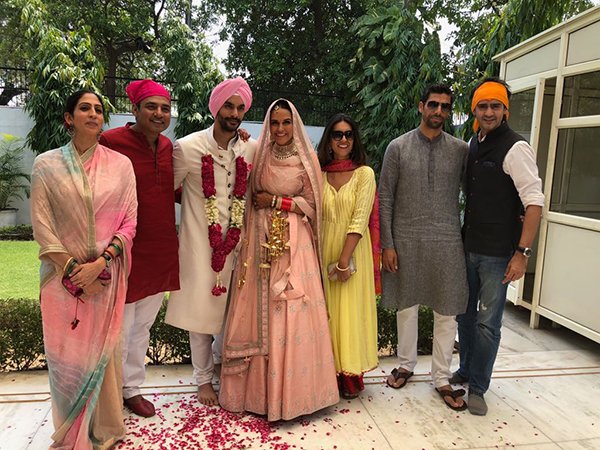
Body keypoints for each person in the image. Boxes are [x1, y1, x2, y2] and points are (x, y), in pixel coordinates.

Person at [219, 99, 339, 421]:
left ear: (294, 124)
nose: (281, 129)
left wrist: (276, 201)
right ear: (268, 125)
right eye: (275, 123)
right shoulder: (260, 152)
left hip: (293, 244)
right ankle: (258, 396)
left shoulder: (305, 157)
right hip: (260, 241)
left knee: (291, 308)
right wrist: (241, 136)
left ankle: (296, 395)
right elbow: (241, 166)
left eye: (286, 123)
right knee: (261, 310)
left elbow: (314, 207)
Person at [30, 90, 137, 449]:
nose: (93, 114)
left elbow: (129, 222)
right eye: (84, 108)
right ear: (68, 118)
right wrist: (74, 269)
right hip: (61, 282)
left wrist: (100, 266)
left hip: (105, 279)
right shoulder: (46, 165)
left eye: (98, 109)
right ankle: (70, 432)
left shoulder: (121, 166)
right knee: (66, 360)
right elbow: (42, 227)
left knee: (104, 357)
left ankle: (105, 427)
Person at [454, 77, 544, 415]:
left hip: (497, 254)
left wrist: (521, 254)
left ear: (505, 110)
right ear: (474, 109)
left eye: (495, 106)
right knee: (464, 316)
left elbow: (534, 202)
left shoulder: (516, 147)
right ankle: (465, 369)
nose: (489, 112)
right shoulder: (474, 143)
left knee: (487, 322)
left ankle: (478, 386)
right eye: (483, 105)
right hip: (469, 246)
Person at [165, 77, 256, 406]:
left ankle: (224, 369)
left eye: (240, 107)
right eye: (228, 106)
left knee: (233, 312)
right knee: (200, 314)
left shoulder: (251, 147)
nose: (234, 112)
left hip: (238, 246)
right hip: (198, 246)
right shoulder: (187, 148)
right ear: (216, 107)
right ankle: (203, 379)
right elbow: (165, 193)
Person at [379, 84, 469, 411]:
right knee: (407, 305)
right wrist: (387, 244)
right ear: (421, 106)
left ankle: (442, 377)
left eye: (445, 107)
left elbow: (473, 194)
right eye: (433, 105)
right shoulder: (398, 147)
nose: (439, 112)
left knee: (448, 311)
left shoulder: (460, 150)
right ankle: (406, 363)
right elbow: (385, 196)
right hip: (405, 238)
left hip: (447, 239)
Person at [99, 79, 179, 418]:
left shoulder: (167, 147)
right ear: (135, 110)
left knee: (143, 326)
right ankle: (110, 393)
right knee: (120, 327)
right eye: (151, 107)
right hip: (125, 248)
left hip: (160, 247)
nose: (159, 114)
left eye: (164, 108)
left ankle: (132, 388)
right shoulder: (111, 142)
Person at [317, 113, 379, 399]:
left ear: (355, 141)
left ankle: (350, 376)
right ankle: (327, 374)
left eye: (349, 134)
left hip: (353, 251)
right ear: (329, 140)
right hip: (323, 249)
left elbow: (359, 219)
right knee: (327, 313)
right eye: (337, 134)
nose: (343, 139)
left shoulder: (364, 174)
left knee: (350, 313)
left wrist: (343, 262)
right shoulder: (319, 174)